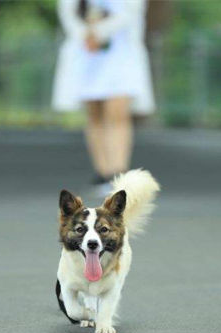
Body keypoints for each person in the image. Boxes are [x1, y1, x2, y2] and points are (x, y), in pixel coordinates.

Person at [53, 0, 154, 196]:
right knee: (95, 113)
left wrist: (100, 32)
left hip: (121, 51)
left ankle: (119, 171)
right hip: (87, 52)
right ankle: (103, 171)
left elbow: (131, 12)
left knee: (117, 113)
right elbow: (68, 12)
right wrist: (85, 34)